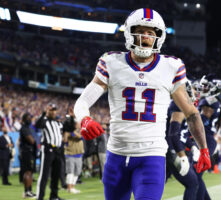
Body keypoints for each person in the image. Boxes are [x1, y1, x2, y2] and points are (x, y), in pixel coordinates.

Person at [74, 8, 211, 200]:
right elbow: (83, 100)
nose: (145, 36)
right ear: (130, 33)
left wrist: (203, 147)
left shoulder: (170, 67)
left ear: (158, 37)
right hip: (116, 155)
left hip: (151, 156)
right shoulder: (111, 62)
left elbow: (191, 113)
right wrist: (84, 119)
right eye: (140, 31)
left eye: (150, 33)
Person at [35, 103, 65, 200]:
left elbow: (69, 127)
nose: (53, 112)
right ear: (48, 111)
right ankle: (40, 197)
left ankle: (54, 196)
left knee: (56, 175)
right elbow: (37, 125)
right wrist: (44, 113)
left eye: (54, 110)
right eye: (51, 110)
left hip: (57, 150)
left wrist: (71, 117)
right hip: (48, 150)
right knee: (44, 174)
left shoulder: (58, 123)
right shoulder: (44, 121)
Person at [63, 116, 84, 194]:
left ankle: (73, 187)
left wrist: (74, 132)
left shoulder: (79, 131)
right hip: (70, 154)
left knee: (77, 172)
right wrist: (68, 131)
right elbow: (65, 140)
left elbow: (80, 137)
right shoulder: (67, 132)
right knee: (70, 172)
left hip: (79, 154)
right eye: (77, 123)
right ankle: (69, 188)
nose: (79, 124)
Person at [19, 113, 37, 198]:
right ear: (23, 120)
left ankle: (29, 191)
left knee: (30, 172)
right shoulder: (24, 128)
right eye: (28, 118)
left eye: (30, 118)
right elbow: (31, 141)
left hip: (29, 152)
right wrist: (33, 138)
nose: (29, 119)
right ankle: (27, 192)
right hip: (26, 152)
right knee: (27, 172)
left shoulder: (28, 128)